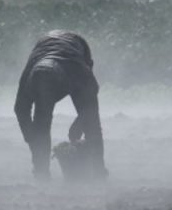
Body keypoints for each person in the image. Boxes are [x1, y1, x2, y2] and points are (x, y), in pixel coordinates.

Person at [14, 30, 106, 180]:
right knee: (92, 125)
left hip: (42, 72)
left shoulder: (33, 63)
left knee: (41, 126)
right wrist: (81, 121)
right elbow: (91, 93)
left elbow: (20, 108)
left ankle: (41, 173)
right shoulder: (81, 59)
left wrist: (32, 137)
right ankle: (99, 172)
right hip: (72, 70)